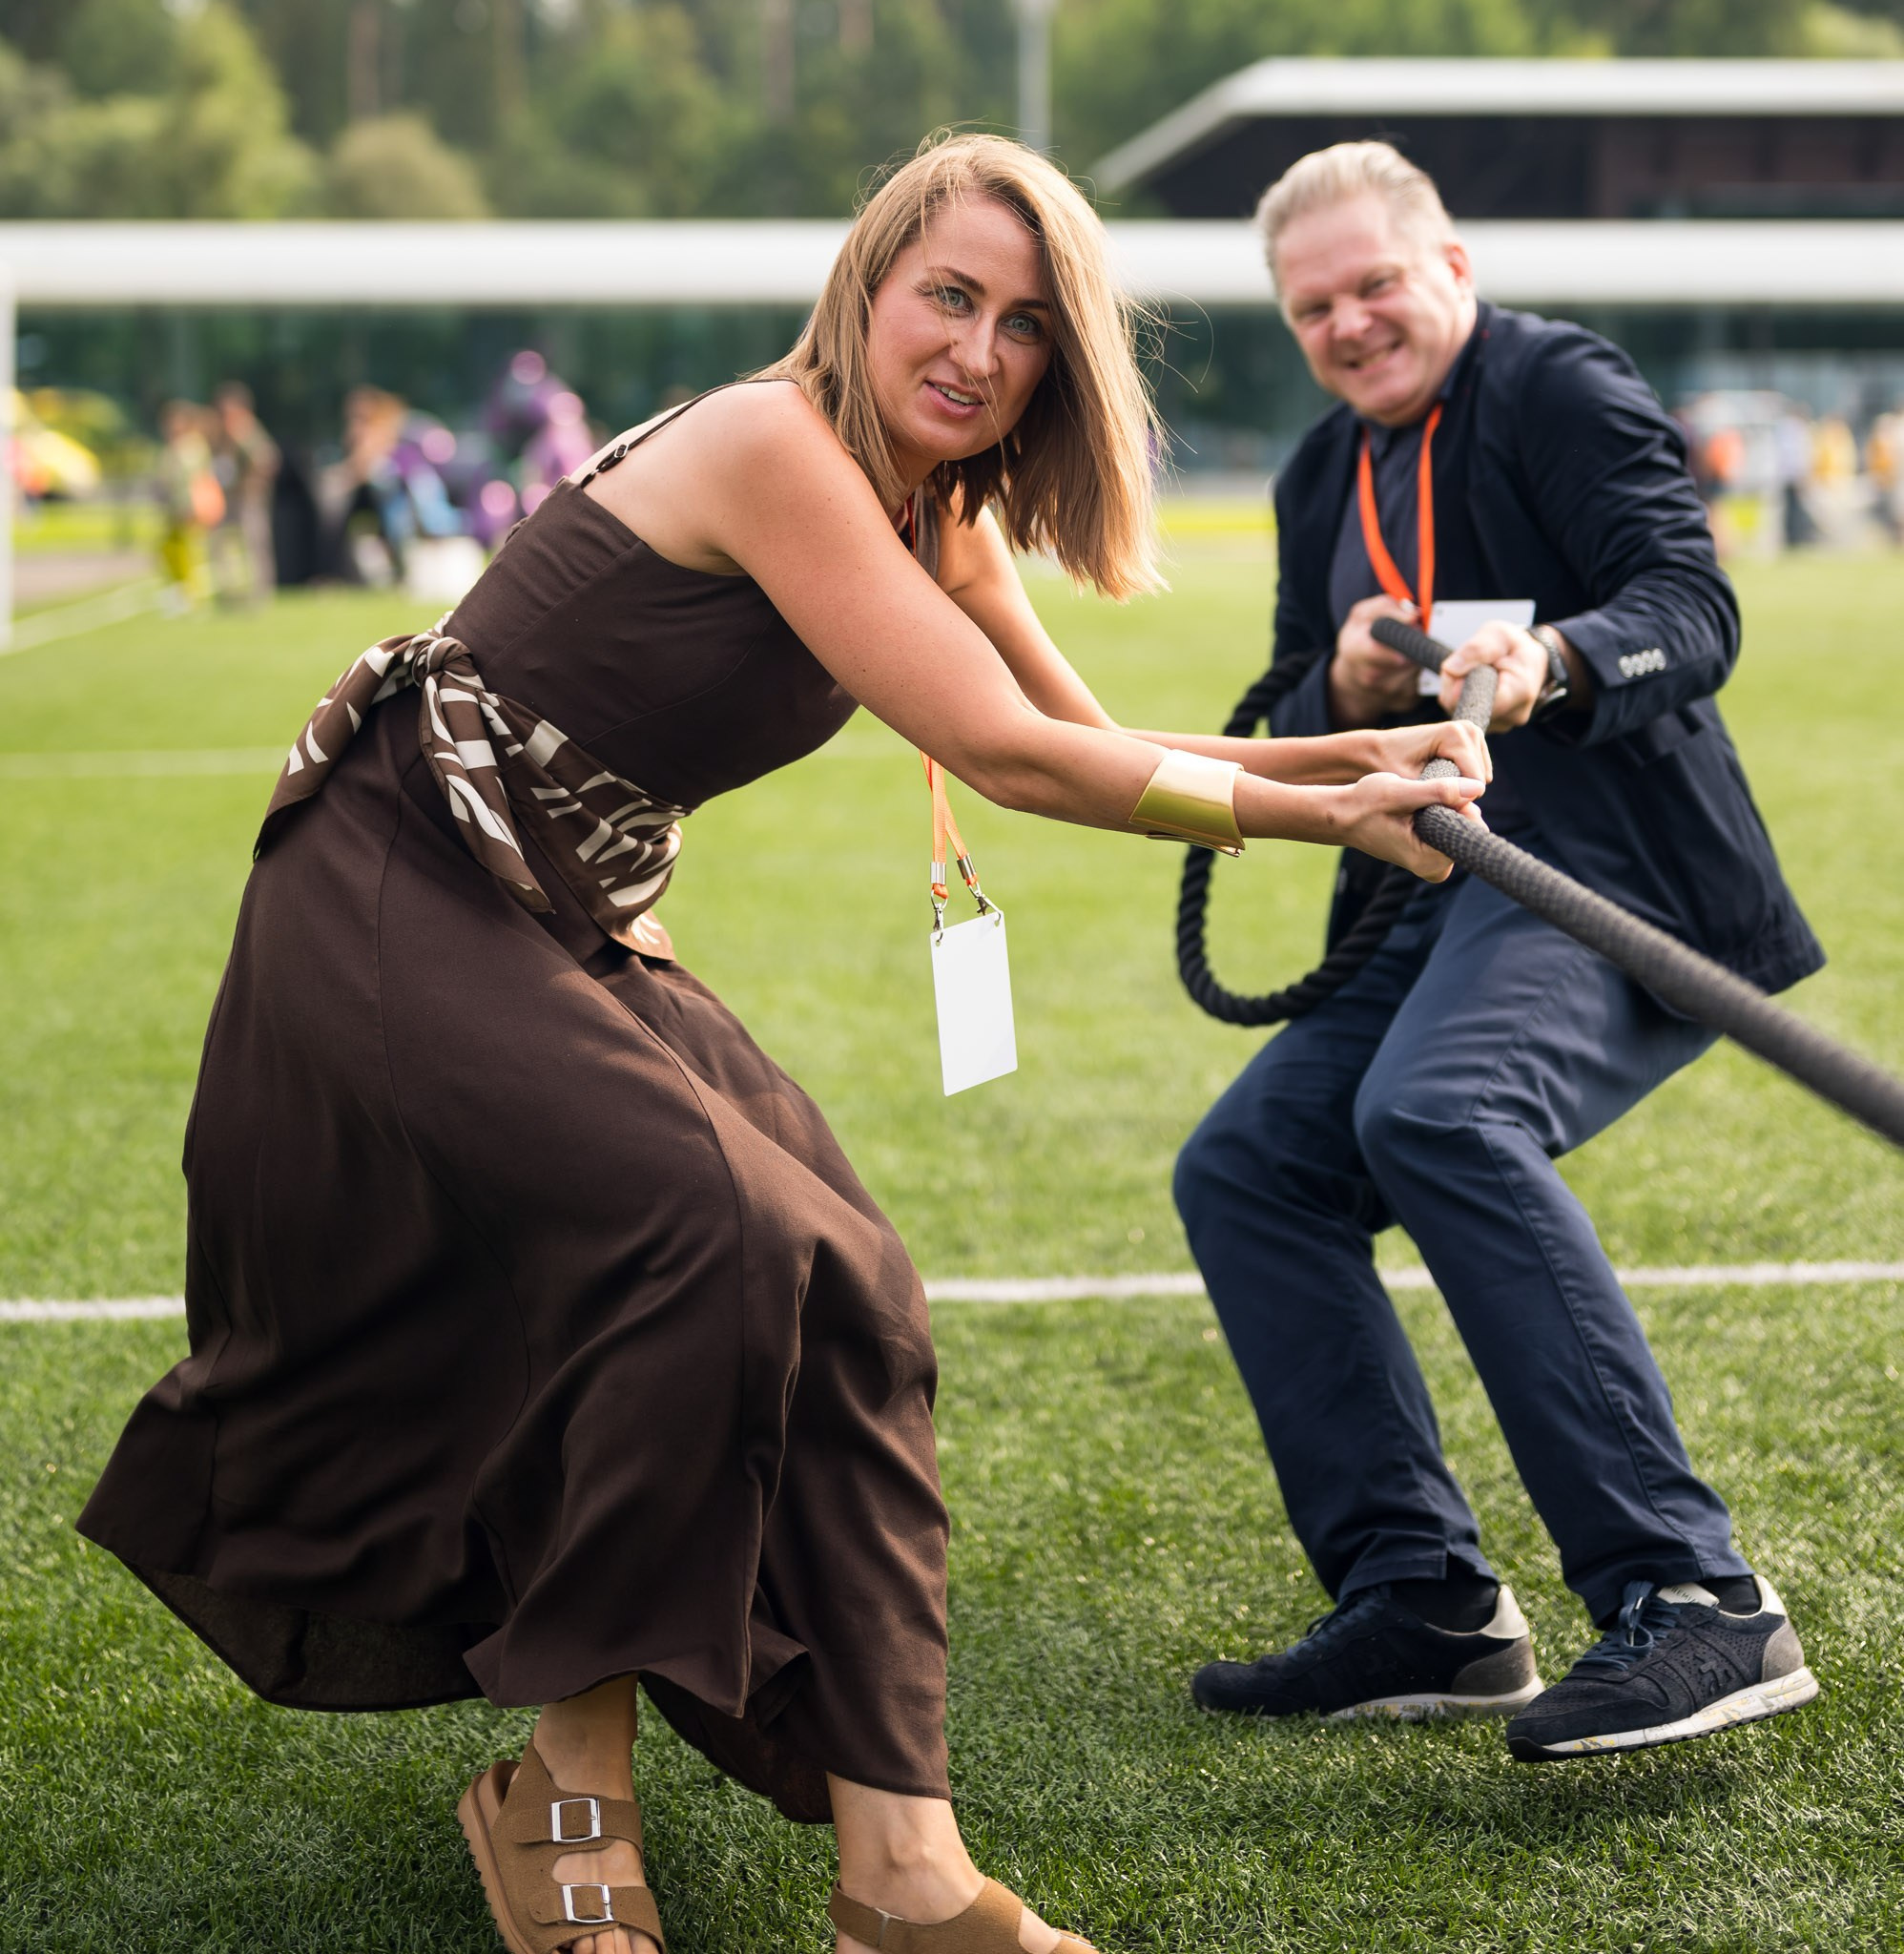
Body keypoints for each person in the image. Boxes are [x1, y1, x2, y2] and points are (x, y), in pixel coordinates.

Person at [81, 135, 1487, 1954]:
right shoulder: (773, 446)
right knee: (705, 1235)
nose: (980, 350)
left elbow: (1091, 734)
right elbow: (1009, 760)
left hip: (559, 913)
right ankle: (558, 1793)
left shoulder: (945, 508)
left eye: (1029, 327)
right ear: (870, 284)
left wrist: (1357, 768)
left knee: (859, 1286)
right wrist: (1320, 820)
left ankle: (902, 1873)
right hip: (397, 889)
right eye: (950, 297)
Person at [1174, 140, 1825, 1763]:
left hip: (1612, 882)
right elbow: (1305, 713)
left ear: (1447, 266)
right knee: (1251, 1163)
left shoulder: (1555, 386)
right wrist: (1334, 683)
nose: (1347, 323)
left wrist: (1553, 660)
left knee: (1440, 1112)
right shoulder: (1319, 471)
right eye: (1312, 304)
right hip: (1431, 894)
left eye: (1373, 285)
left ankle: (1696, 1600)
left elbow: (1693, 603)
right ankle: (1427, 1604)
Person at [210, 382, 281, 606]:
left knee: (255, 544)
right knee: (220, 541)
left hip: (248, 498)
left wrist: (253, 481)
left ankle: (261, 592)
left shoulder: (248, 431)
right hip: (229, 497)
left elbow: (267, 460)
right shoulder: (221, 433)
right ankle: (228, 590)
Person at [152, 399, 223, 612]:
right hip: (173, 508)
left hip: (190, 507)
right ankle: (180, 590)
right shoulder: (175, 447)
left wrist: (195, 506)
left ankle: (192, 595)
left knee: (190, 552)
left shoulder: (192, 446)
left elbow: (196, 479)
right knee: (170, 550)